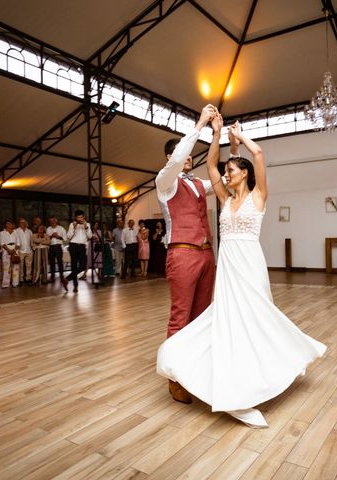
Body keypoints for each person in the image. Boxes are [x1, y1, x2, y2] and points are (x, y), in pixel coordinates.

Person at [157, 112, 326, 428]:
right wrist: (217, 135)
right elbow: (211, 165)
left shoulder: (259, 196)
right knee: (225, 319)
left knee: (257, 316)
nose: (226, 173)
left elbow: (258, 154)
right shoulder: (221, 196)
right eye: (228, 170)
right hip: (226, 265)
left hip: (249, 263)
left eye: (232, 169)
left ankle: (269, 368)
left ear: (244, 174)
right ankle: (201, 374)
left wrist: (240, 137)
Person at [154, 104, 217, 405]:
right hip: (181, 254)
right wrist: (199, 125)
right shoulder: (165, 182)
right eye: (182, 153)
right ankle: (175, 378)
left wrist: (219, 137)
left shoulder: (196, 184)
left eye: (191, 153)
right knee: (180, 317)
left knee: (202, 317)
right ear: (171, 158)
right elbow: (180, 157)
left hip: (206, 255)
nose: (189, 156)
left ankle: (198, 369)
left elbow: (218, 182)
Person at [61, 210, 92, 292]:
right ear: (76, 218)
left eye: (81, 217)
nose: (80, 219)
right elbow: (68, 236)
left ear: (84, 217)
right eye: (78, 217)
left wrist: (86, 228)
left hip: (82, 247)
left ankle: (66, 279)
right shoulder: (72, 224)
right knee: (74, 267)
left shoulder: (88, 224)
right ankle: (75, 286)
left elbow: (90, 236)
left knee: (83, 266)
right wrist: (74, 228)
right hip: (73, 246)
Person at [0, 221, 20, 288]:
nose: (10, 225)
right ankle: (5, 284)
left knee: (16, 267)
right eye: (8, 224)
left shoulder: (16, 232)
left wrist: (14, 250)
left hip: (15, 250)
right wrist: (8, 250)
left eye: (11, 223)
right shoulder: (2, 233)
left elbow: (18, 243)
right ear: (5, 225)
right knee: (6, 268)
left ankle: (15, 283)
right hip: (6, 250)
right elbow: (2, 243)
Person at [46, 216, 66, 282]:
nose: (52, 222)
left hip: (58, 246)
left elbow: (65, 239)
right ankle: (52, 277)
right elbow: (46, 238)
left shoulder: (61, 228)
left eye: (53, 221)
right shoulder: (48, 229)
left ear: (56, 221)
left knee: (60, 261)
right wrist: (52, 236)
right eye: (50, 221)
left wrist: (58, 237)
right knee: (52, 262)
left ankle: (62, 276)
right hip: (51, 247)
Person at [15, 218, 33, 285]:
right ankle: (21, 279)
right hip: (21, 251)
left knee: (29, 266)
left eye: (24, 222)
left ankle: (28, 278)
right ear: (19, 224)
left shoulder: (29, 231)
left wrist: (32, 247)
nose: (23, 224)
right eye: (21, 222)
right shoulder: (16, 231)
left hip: (29, 250)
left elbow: (31, 241)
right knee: (21, 266)